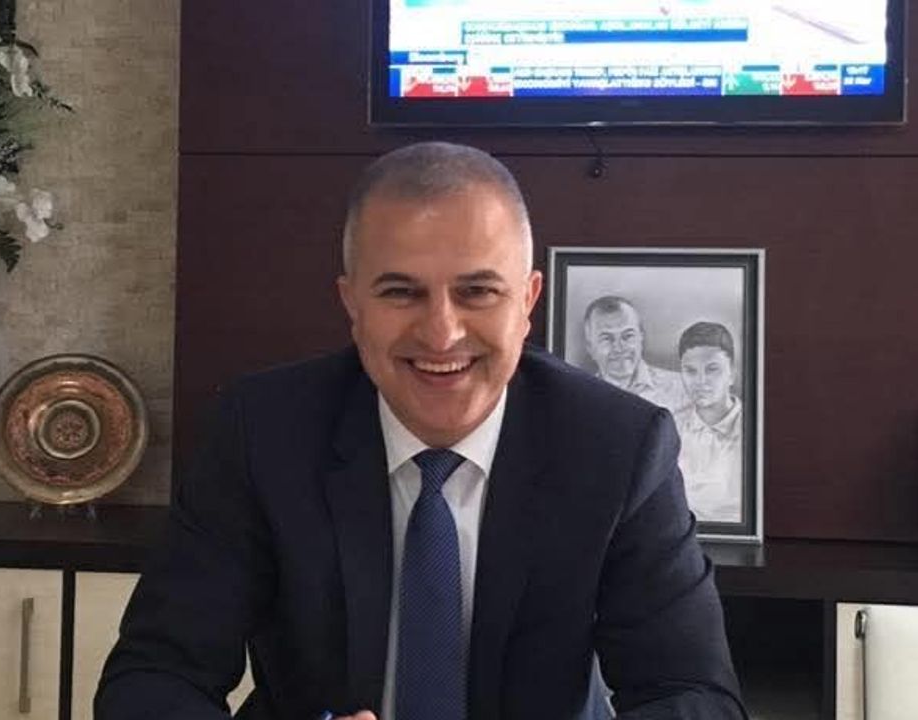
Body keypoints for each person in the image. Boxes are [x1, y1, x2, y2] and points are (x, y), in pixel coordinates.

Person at [96, 142, 745, 720]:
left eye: (478, 292)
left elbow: (691, 694)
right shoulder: (262, 432)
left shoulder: (618, 447)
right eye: (401, 293)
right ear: (352, 304)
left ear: (527, 301)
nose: (441, 333)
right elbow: (153, 677)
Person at [674, 322, 743, 523]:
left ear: (732, 374)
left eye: (712, 369)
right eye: (690, 371)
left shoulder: (756, 429)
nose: (701, 381)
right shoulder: (671, 428)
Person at [582, 296, 688, 412]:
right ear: (590, 348)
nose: (619, 348)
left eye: (628, 336)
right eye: (606, 338)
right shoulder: (580, 398)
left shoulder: (683, 389)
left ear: (641, 338)